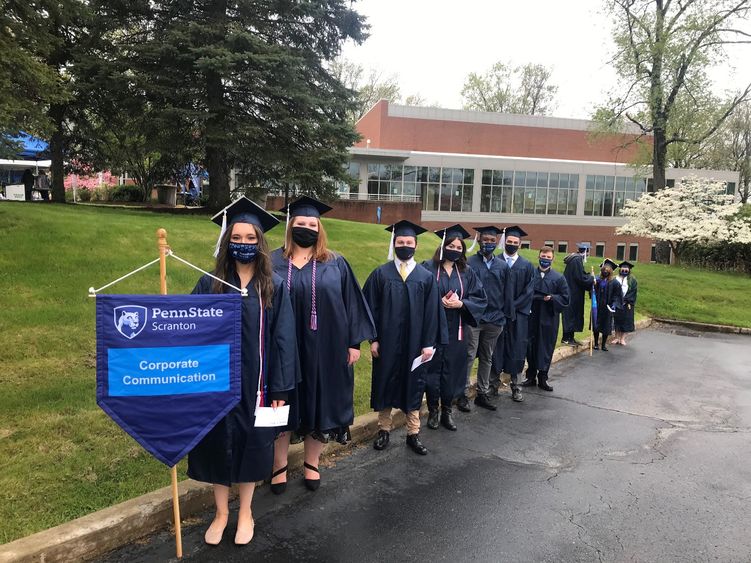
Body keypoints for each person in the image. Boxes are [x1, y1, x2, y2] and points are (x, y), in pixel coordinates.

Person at [188, 197, 297, 546]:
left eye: (251, 238)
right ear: (227, 241)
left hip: (259, 385)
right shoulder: (211, 283)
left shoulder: (274, 286)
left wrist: (280, 390)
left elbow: (284, 340)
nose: (244, 244)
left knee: (253, 445)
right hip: (216, 384)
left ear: (260, 243)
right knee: (218, 444)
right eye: (238, 237)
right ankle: (221, 513)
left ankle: (246, 511)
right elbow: (188, 326)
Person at [270, 196, 375, 493]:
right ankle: (278, 466)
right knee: (283, 402)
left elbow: (352, 303)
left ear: (320, 228)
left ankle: (312, 463)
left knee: (321, 404)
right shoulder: (273, 261)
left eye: (311, 224)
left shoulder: (335, 262)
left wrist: (354, 342)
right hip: (285, 348)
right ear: (290, 226)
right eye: (300, 223)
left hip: (326, 347)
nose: (306, 228)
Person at [362, 220, 446, 455]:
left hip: (415, 344)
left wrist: (429, 343)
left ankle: (413, 433)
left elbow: (432, 313)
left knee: (414, 384)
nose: (405, 246)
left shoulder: (426, 277)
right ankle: (384, 430)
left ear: (416, 245)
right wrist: (374, 339)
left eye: (409, 242)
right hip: (386, 343)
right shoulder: (381, 274)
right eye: (401, 242)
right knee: (386, 382)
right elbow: (370, 309)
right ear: (394, 243)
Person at [420, 224, 486, 431]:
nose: (455, 250)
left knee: (452, 371)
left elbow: (480, 298)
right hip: (433, 329)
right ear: (443, 246)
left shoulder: (467, 272)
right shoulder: (427, 268)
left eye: (459, 248)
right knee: (432, 371)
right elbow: (417, 295)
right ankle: (433, 411)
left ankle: (447, 410)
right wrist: (435, 301)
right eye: (451, 246)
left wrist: (462, 304)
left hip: (457, 329)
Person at [459, 225, 509, 412]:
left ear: (496, 243)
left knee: (487, 357)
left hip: (495, 319)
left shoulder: (502, 266)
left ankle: (482, 393)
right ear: (479, 240)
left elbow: (507, 292)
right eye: (485, 240)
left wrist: (503, 314)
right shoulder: (470, 263)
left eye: (492, 241)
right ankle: (462, 394)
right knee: (469, 355)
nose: (488, 243)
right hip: (474, 317)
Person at [492, 226, 535, 403]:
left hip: (518, 315)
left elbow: (528, 291)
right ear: (504, 242)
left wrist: (512, 307)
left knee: (517, 349)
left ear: (520, 244)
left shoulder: (526, 266)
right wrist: (501, 308)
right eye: (509, 242)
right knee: (495, 349)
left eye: (515, 243)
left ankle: (516, 387)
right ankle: (492, 385)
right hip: (498, 314)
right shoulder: (495, 262)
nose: (511, 245)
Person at [522, 246, 570, 392]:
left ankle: (543, 377)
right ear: (539, 256)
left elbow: (565, 298)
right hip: (531, 316)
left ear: (553, 259)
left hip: (549, 318)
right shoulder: (530, 274)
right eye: (543, 256)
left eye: (548, 257)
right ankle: (530, 376)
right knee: (530, 345)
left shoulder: (559, 278)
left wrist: (552, 298)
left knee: (546, 346)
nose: (545, 259)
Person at [561, 242, 595, 346]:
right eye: (588, 252)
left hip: (574, 291)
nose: (588, 254)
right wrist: (591, 278)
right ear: (585, 251)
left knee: (573, 314)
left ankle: (571, 337)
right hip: (572, 292)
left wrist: (588, 276)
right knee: (570, 315)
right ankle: (566, 338)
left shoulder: (575, 259)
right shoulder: (576, 260)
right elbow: (580, 277)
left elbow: (580, 274)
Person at [592, 259, 622, 351]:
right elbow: (592, 291)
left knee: (606, 326)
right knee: (596, 324)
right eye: (604, 270)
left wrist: (614, 304)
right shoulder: (597, 279)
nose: (605, 271)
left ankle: (603, 345)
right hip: (597, 306)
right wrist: (592, 284)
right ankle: (596, 343)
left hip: (607, 307)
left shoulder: (615, 282)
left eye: (607, 270)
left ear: (611, 271)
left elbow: (617, 295)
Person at [613, 261, 638, 345]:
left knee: (626, 320)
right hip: (616, 303)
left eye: (626, 268)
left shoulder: (632, 280)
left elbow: (633, 292)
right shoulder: (615, 278)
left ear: (629, 269)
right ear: (620, 269)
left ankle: (622, 338)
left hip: (627, 303)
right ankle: (616, 337)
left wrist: (625, 300)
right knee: (617, 319)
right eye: (623, 268)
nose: (624, 269)